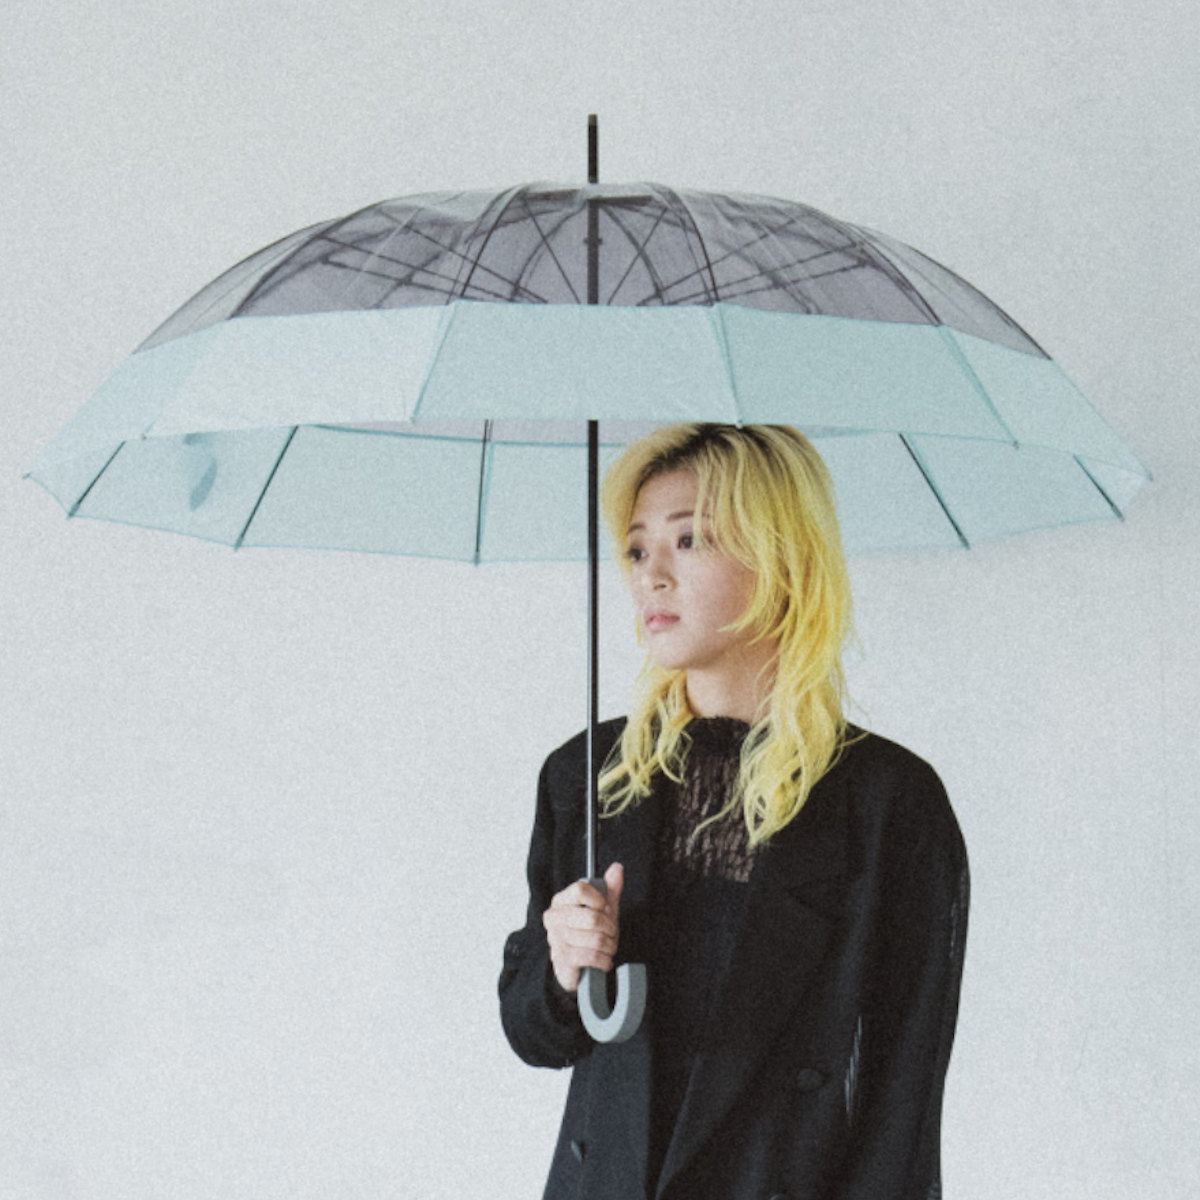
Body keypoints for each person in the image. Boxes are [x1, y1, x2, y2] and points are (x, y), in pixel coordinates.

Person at [499, 424, 968, 1200]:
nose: (652, 576)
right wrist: (561, 967)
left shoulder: (890, 802)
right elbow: (533, 1035)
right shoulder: (587, 776)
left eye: (689, 540)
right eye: (637, 549)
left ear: (782, 557)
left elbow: (903, 1106)